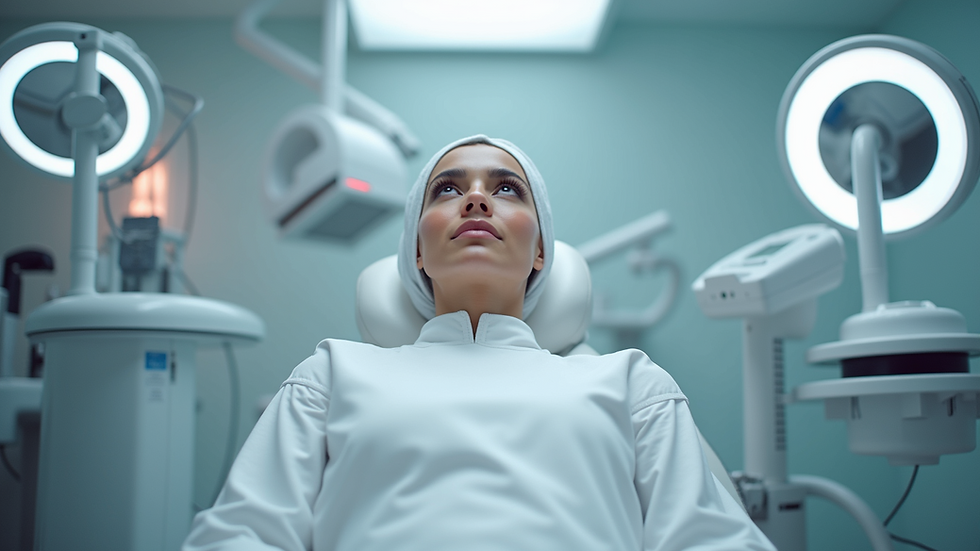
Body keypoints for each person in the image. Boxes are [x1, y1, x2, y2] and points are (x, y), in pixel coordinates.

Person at [182, 135, 776, 551]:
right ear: (416, 250)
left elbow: (711, 539)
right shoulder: (332, 375)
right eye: (445, 189)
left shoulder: (628, 382)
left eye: (508, 189)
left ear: (541, 249)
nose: (475, 198)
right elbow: (241, 535)